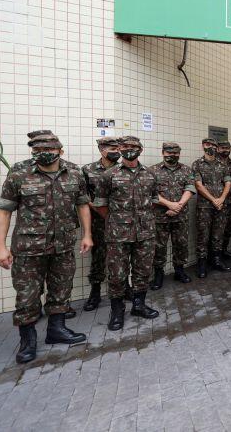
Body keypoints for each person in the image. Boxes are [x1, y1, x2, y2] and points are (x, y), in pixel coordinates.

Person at [0, 132, 92, 364]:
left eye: (48, 150)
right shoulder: (19, 172)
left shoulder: (74, 172)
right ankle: (28, 341)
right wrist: (0, 246)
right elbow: (4, 210)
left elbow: (82, 205)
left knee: (61, 290)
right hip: (29, 249)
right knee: (27, 297)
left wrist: (87, 235)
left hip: (63, 246)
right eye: (37, 151)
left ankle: (56, 331)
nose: (43, 154)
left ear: (60, 150)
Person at [93, 136, 160, 330]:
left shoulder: (150, 174)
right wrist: (117, 221)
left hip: (145, 233)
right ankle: (117, 311)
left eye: (134, 146)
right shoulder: (109, 175)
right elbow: (100, 205)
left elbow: (154, 201)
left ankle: (139, 305)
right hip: (117, 234)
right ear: (120, 149)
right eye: (125, 146)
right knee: (117, 274)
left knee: (143, 271)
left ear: (141, 149)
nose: (130, 149)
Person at [81, 136, 121, 311]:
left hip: (122, 222)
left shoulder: (124, 168)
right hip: (98, 221)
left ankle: (123, 288)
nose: (116, 152)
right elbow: (83, 197)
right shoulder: (88, 170)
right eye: (112, 149)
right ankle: (95, 293)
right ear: (102, 150)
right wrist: (99, 209)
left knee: (121, 256)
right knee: (98, 257)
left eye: (118, 148)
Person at [149, 142, 195, 289]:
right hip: (160, 217)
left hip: (180, 216)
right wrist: (170, 205)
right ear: (163, 153)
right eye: (169, 153)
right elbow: (151, 193)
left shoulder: (186, 170)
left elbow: (190, 188)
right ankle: (158, 274)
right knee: (159, 247)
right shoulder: (152, 171)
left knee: (181, 245)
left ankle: (179, 271)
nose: (172, 155)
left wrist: (178, 205)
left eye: (175, 153)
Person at [192, 138, 231, 277]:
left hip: (221, 205)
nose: (211, 147)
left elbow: (228, 183)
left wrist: (221, 199)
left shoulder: (223, 164)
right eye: (208, 145)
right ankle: (202, 265)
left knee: (218, 234)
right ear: (203, 146)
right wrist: (213, 199)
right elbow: (198, 185)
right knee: (203, 235)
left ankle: (216, 260)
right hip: (204, 206)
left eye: (214, 145)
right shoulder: (197, 164)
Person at [217, 141, 231, 260]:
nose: (225, 150)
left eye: (227, 148)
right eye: (222, 148)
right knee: (216, 230)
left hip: (230, 201)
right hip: (217, 201)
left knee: (228, 227)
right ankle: (215, 255)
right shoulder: (213, 162)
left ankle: (223, 251)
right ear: (218, 149)